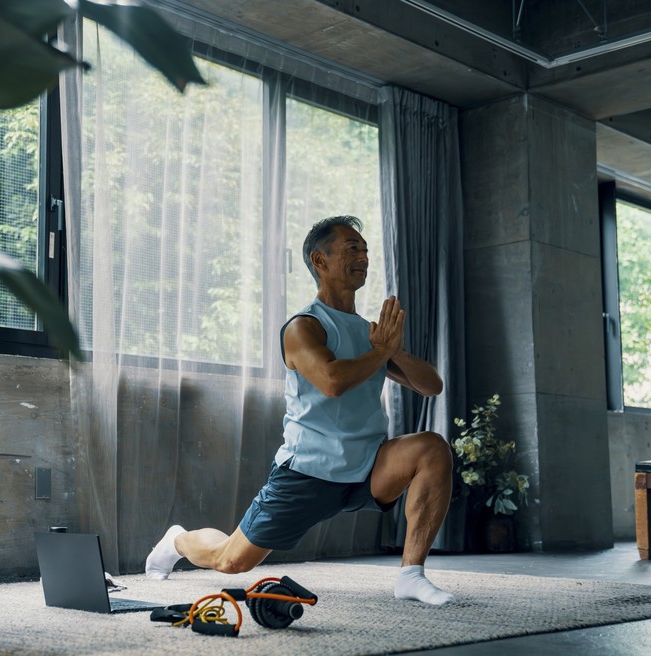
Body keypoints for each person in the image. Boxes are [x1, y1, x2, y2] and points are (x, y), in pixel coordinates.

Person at [145, 215, 455, 605]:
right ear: (319, 261)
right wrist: (380, 352)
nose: (362, 256)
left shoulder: (371, 334)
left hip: (368, 466)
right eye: (351, 249)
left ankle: (411, 575)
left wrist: (395, 352)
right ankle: (176, 539)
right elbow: (332, 381)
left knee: (431, 446)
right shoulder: (303, 327)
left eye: (365, 249)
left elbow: (432, 386)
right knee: (231, 561)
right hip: (309, 470)